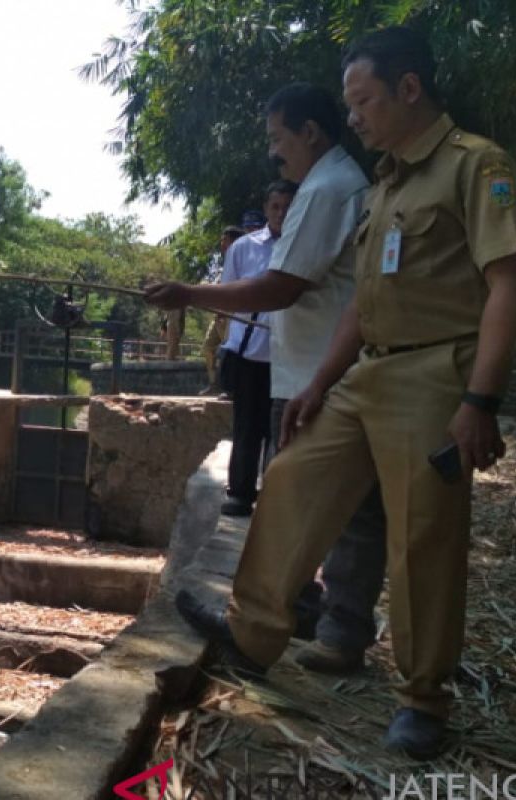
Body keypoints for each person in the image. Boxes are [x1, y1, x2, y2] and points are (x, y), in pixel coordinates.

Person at [172, 27, 516, 758]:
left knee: (422, 537)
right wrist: (322, 383)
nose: (356, 116)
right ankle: (252, 634)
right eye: (349, 103)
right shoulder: (386, 184)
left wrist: (480, 402)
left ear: (409, 89)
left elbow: (508, 281)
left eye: (363, 100)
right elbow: (361, 304)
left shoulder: (475, 165)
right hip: (368, 371)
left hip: (435, 375)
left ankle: (421, 699)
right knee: (294, 480)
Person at [146, 82, 388, 665]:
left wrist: (189, 292)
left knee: (309, 504)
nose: (274, 153)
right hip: (319, 367)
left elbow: (281, 286)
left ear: (309, 132)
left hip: (316, 375)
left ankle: (306, 626)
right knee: (331, 504)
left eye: (278, 139)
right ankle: (309, 613)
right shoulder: (337, 184)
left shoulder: (328, 188)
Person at [211, 184, 295, 516]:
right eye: (275, 206)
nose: (281, 213)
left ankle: (275, 495)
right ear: (266, 208)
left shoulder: (301, 245)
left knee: (282, 431)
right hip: (248, 352)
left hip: (287, 354)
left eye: (288, 207)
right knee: (246, 426)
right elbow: (229, 294)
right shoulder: (244, 248)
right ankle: (241, 493)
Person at [199, 226, 246, 394]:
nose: (222, 244)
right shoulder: (225, 261)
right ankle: (214, 384)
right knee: (208, 348)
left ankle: (230, 388)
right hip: (219, 315)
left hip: (232, 316)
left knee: (230, 351)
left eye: (224, 240)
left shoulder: (243, 260)